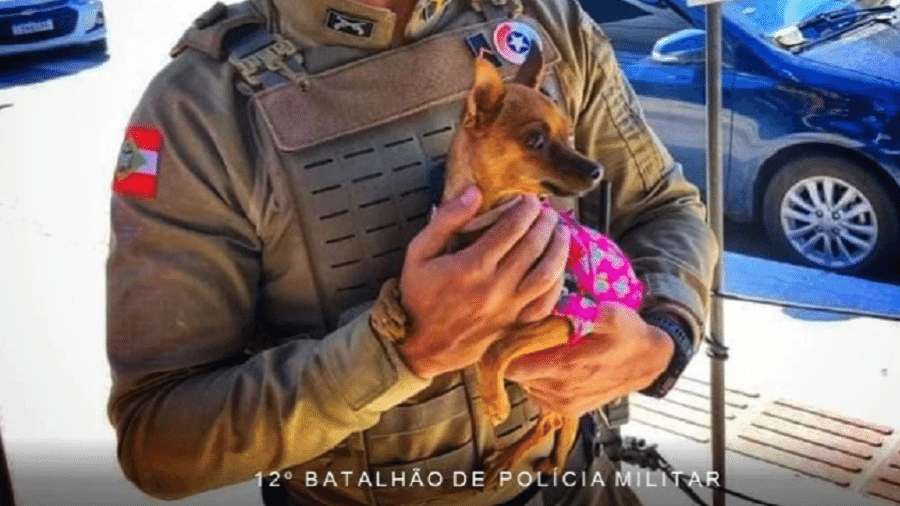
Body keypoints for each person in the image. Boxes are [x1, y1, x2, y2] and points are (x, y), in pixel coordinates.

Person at [105, 0, 718, 505]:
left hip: (577, 483)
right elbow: (159, 441)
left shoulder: (542, 25)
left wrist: (663, 335)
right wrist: (401, 351)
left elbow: (663, 206)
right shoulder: (202, 109)